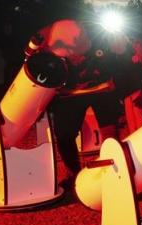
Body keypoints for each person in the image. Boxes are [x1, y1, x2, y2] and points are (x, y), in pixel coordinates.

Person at [42, 20, 122, 189]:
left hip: (101, 89)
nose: (75, 57)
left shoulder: (99, 37)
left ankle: (118, 173)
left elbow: (118, 60)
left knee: (110, 132)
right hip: (70, 93)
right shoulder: (50, 38)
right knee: (64, 135)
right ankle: (74, 174)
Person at [109, 33, 142, 133]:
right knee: (133, 129)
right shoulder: (113, 54)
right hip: (127, 95)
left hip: (140, 91)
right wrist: (119, 95)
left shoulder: (134, 46)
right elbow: (116, 76)